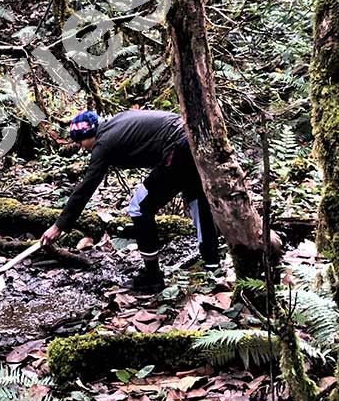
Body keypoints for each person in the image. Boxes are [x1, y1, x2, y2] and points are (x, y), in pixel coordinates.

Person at [40, 109, 222, 294]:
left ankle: (152, 277)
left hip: (178, 147)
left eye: (80, 142)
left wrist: (58, 226)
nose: (82, 148)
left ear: (90, 134)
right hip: (194, 138)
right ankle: (212, 264)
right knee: (196, 199)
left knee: (139, 208)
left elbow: (86, 188)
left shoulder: (104, 143)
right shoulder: (116, 124)